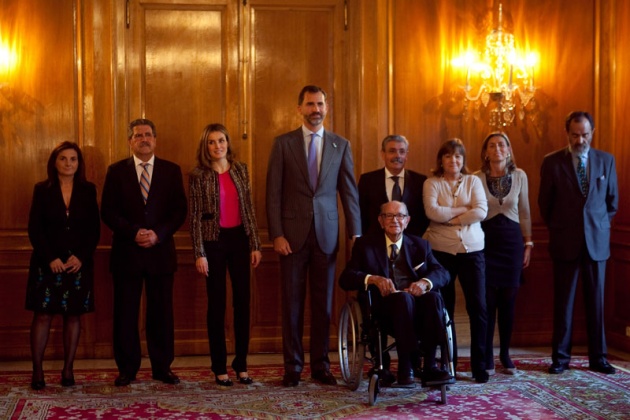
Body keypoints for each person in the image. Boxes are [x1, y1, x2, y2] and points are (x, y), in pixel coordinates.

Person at [266, 85, 362, 387]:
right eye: (310, 104)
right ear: (300, 109)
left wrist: (356, 233)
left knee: (323, 305)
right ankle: (293, 367)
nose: (315, 109)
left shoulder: (340, 145)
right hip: (291, 237)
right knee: (292, 305)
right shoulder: (283, 144)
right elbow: (273, 194)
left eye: (320, 104)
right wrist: (277, 234)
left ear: (326, 108)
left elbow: (349, 192)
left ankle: (321, 366)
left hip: (327, 235)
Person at [101, 118, 188, 386]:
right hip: (127, 253)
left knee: (161, 314)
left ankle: (162, 367)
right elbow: (108, 211)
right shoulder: (116, 171)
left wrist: (158, 234)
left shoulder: (171, 171)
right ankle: (127, 369)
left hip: (160, 253)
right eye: (138, 135)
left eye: (148, 134)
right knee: (125, 314)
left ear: (155, 139)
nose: (144, 139)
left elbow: (179, 211)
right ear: (130, 141)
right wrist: (133, 232)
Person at [339, 200, 453, 386]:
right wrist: (373, 279)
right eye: (388, 216)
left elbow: (442, 273)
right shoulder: (365, 245)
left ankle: (430, 366)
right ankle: (406, 365)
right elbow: (346, 278)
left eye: (400, 215)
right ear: (380, 220)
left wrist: (425, 283)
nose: (395, 220)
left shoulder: (421, 245)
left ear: (407, 221)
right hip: (383, 309)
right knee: (402, 299)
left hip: (418, 309)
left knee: (433, 297)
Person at [538, 111, 618, 375]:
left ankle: (599, 358)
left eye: (584, 134)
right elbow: (544, 205)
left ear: (592, 133)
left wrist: (596, 226)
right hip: (565, 242)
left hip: (597, 243)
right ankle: (560, 359)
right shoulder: (552, 162)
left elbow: (612, 203)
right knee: (564, 304)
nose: (580, 139)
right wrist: (562, 227)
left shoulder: (606, 160)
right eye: (575, 134)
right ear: (567, 134)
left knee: (597, 303)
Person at [189, 123, 262, 386]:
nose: (217, 146)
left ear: (228, 143)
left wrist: (255, 244)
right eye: (211, 142)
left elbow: (249, 210)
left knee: (243, 303)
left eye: (221, 140)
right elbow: (195, 218)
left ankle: (241, 364)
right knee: (217, 305)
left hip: (240, 240)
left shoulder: (241, 169)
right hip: (213, 243)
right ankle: (219, 366)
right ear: (205, 146)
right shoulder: (198, 174)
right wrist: (199, 252)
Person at [26, 141, 101, 390]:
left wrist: (80, 256)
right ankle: (38, 371)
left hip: (77, 264)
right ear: (54, 162)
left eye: (73, 159)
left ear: (79, 164)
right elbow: (34, 229)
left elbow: (94, 230)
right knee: (43, 314)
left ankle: (68, 369)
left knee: (73, 315)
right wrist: (50, 258)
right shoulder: (42, 189)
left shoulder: (88, 190)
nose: (69, 163)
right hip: (47, 263)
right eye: (63, 159)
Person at [423, 138, 490, 383]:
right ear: (441, 160)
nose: (454, 160)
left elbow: (482, 210)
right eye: (449, 156)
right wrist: (463, 210)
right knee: (444, 309)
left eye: (458, 156)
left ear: (463, 161)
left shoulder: (473, 181)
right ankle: (446, 363)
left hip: (473, 250)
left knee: (479, 308)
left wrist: (451, 218)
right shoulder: (431, 183)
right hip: (441, 251)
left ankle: (479, 366)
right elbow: (432, 212)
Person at [475, 132, 532, 375]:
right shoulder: (475, 178)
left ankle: (505, 354)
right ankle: (486, 354)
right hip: (485, 243)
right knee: (486, 302)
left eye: (501, 145)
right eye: (492, 145)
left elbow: (525, 211)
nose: (497, 148)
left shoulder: (519, 176)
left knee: (508, 303)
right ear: (485, 152)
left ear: (508, 150)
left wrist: (528, 243)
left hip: (512, 244)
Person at [358, 134, 429, 237]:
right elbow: (361, 214)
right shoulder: (367, 180)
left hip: (409, 244)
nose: (397, 156)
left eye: (402, 152)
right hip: (375, 243)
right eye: (392, 151)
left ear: (406, 156)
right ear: (383, 154)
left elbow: (424, 217)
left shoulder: (420, 181)